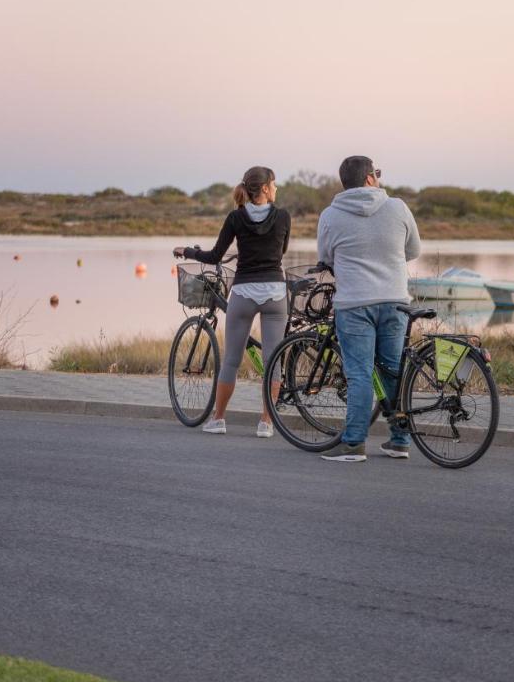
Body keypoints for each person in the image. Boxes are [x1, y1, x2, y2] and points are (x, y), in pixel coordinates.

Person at [316, 155, 422, 462]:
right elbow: (413, 251)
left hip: (354, 304)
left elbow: (325, 257)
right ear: (370, 179)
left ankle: (353, 444)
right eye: (376, 173)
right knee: (392, 370)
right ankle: (399, 440)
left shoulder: (330, 215)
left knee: (359, 374)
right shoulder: (398, 207)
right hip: (395, 301)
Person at [173, 166, 291, 437]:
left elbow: (215, 256)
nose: (276, 188)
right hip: (275, 293)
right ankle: (266, 423)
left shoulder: (235, 218)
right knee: (273, 360)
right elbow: (281, 251)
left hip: (244, 292)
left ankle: (218, 419)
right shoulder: (283, 216)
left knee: (231, 361)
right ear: (264, 188)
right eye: (274, 184)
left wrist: (188, 250)